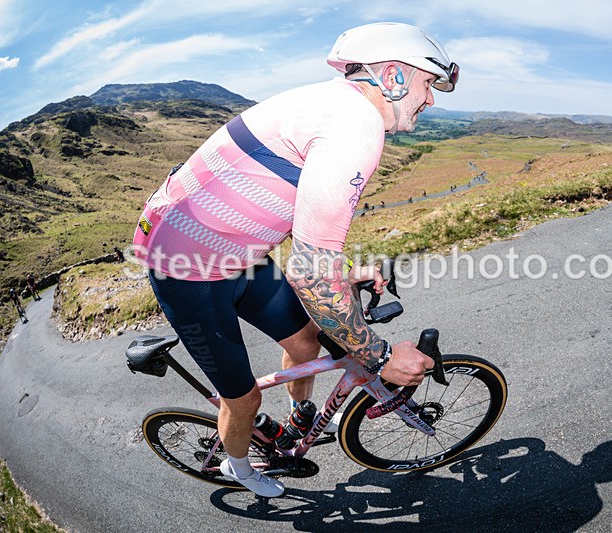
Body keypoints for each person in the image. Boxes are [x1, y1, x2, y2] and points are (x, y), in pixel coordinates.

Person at [131, 22, 458, 497]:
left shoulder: (331, 103)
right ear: (393, 76)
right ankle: (239, 468)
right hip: (187, 272)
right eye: (428, 84)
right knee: (244, 399)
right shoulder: (355, 127)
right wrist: (381, 357)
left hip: (236, 254)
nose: (430, 100)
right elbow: (310, 274)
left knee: (306, 341)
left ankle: (300, 414)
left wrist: (341, 272)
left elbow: (294, 219)